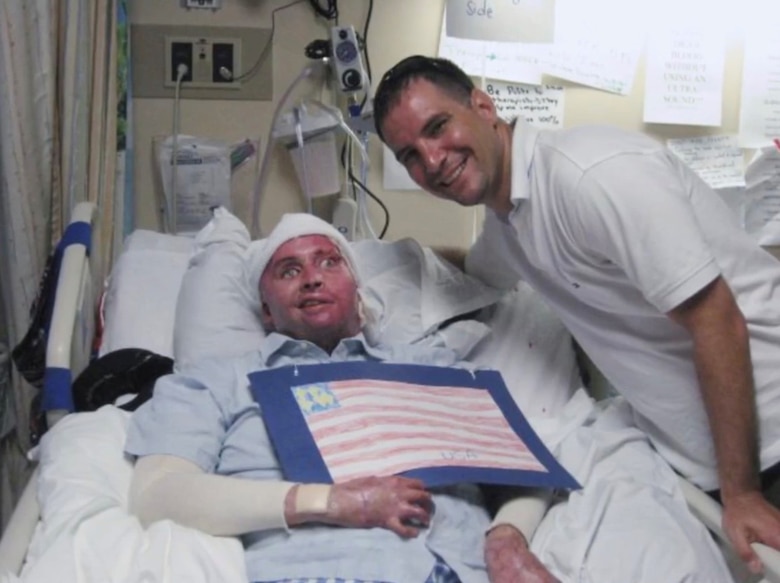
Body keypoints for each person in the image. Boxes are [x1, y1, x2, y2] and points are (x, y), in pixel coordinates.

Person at [373, 54, 780, 574]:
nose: (431, 161)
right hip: (702, 463)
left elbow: (717, 320)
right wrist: (370, 267)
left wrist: (742, 492)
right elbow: (471, 276)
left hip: (765, 440)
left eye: (437, 127)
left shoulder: (590, 176)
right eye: (410, 154)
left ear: (483, 106)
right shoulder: (509, 223)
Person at [124, 213, 558, 583]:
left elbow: (525, 468)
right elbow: (157, 495)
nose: (312, 278)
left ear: (358, 292)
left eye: (329, 262)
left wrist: (508, 537)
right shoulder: (218, 382)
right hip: (312, 570)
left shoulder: (434, 368)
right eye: (288, 271)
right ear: (267, 311)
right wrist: (330, 502)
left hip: (446, 569)